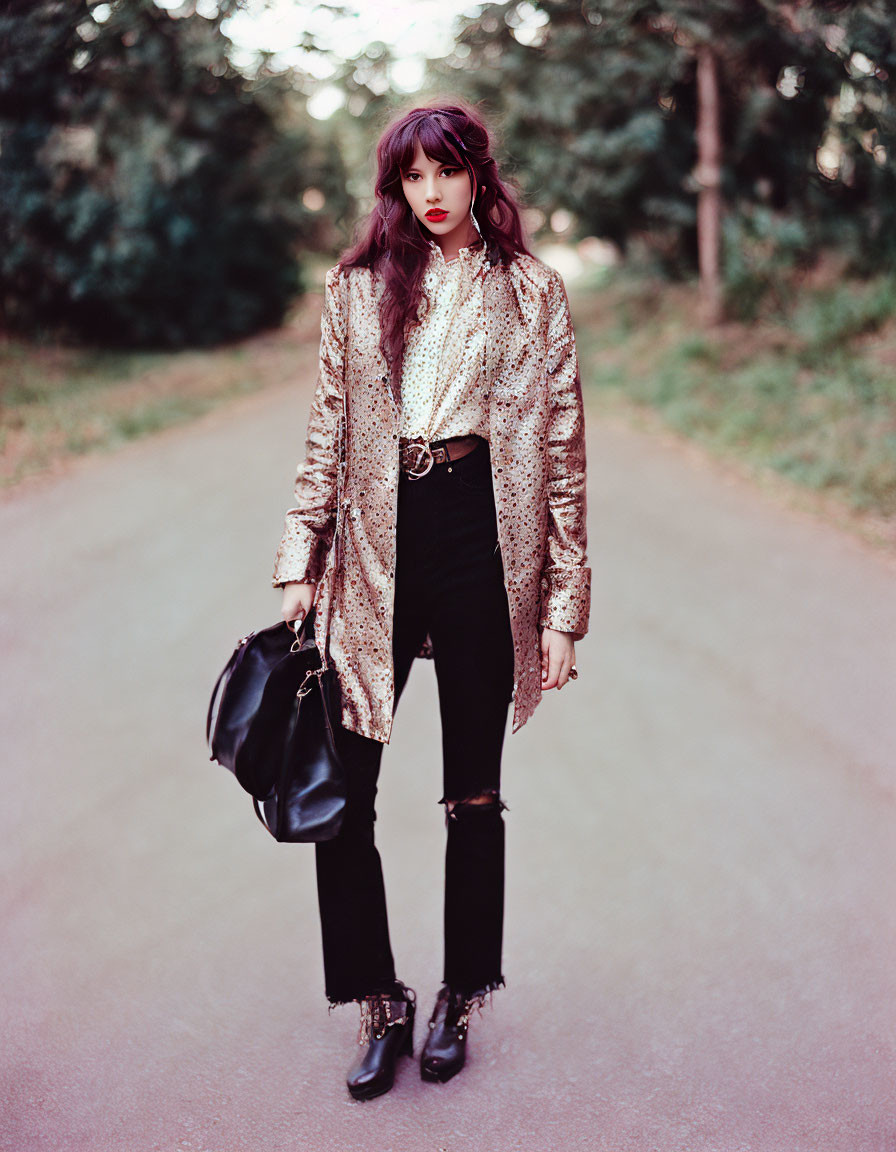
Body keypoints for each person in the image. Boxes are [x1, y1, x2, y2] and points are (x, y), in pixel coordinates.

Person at [272, 100, 590, 1100]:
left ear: (477, 176)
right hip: (375, 542)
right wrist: (298, 555)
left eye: (447, 171)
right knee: (342, 797)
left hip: (479, 539)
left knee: (472, 795)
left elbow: (564, 454)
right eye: (414, 176)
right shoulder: (359, 287)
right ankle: (378, 1000)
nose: (433, 192)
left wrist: (561, 609)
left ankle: (459, 991)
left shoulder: (531, 292)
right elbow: (329, 423)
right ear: (396, 188)